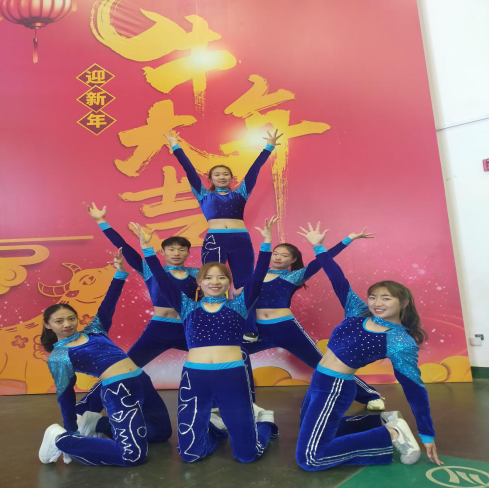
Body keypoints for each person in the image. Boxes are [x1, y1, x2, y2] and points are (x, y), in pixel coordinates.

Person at [294, 223, 442, 471]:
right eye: (373, 297)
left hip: (336, 387)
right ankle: (381, 422)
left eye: (386, 298)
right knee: (308, 431)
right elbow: (337, 278)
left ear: (404, 302)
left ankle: (391, 434)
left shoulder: (399, 340)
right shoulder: (358, 311)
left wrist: (427, 433)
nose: (377, 303)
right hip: (319, 379)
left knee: (311, 458)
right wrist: (318, 246)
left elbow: (415, 389)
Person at [133, 217, 280, 464]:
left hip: (231, 376)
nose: (215, 282)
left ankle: (265, 423)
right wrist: (147, 248)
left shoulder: (239, 305)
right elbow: (161, 277)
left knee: (246, 455)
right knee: (190, 454)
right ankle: (217, 430)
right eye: (209, 278)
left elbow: (257, 277)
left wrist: (266, 243)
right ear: (199, 282)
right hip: (195, 378)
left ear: (229, 282)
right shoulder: (186, 306)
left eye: (221, 277)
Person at [38, 250, 172, 467]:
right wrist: (71, 429)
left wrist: (120, 273)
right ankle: (60, 439)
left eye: (71, 318)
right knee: (132, 456)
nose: (67, 324)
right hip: (119, 391)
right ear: (48, 325)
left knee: (160, 433)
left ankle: (97, 424)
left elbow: (109, 303)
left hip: (141, 381)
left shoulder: (94, 329)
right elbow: (65, 395)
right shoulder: (59, 356)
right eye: (59, 321)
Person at [75, 204, 199, 420]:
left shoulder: (198, 273)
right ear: (162, 252)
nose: (176, 253)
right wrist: (101, 221)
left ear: (188, 252)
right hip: (158, 331)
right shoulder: (152, 270)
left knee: (218, 360)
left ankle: (219, 408)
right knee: (121, 369)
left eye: (181, 249)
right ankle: (85, 411)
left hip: (187, 329)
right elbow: (124, 247)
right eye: (171, 249)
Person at [242, 229, 386, 411]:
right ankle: (239, 400)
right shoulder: (255, 275)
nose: (277, 257)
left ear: (293, 260)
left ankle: (371, 395)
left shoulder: (293, 276)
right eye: (275, 253)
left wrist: (347, 239)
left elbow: (322, 261)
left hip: (286, 329)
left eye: (284, 255)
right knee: (232, 351)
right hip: (259, 331)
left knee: (324, 364)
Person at [163, 129, 283, 291]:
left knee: (244, 282)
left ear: (231, 178)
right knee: (211, 279)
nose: (222, 177)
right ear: (211, 179)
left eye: (225, 174)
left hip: (240, 239)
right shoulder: (203, 195)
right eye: (217, 175)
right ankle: (213, 306)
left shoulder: (241, 194)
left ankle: (244, 308)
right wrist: (176, 147)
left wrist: (268, 148)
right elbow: (189, 169)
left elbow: (254, 170)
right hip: (215, 240)